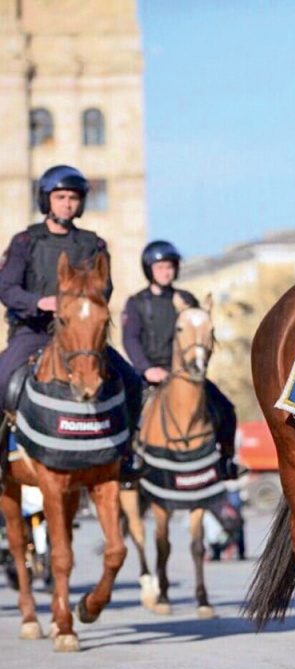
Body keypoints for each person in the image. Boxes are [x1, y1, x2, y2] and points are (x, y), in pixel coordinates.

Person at [0, 164, 143, 478]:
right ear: (46, 200)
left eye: (74, 198)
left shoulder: (94, 244)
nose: (67, 203)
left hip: (81, 337)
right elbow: (6, 287)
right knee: (3, 379)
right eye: (61, 196)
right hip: (34, 332)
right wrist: (40, 302)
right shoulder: (25, 242)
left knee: (132, 381)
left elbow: (104, 286)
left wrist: (78, 304)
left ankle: (128, 453)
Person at [121, 240, 243, 479]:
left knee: (225, 408)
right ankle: (128, 460)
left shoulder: (187, 299)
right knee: (127, 410)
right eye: (160, 267)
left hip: (187, 374)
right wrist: (147, 369)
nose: (166, 272)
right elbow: (130, 340)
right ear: (149, 270)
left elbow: (200, 331)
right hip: (150, 375)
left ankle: (226, 461)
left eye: (170, 267)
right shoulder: (136, 303)